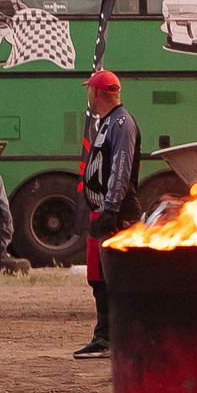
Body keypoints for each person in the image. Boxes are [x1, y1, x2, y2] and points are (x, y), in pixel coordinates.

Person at [74, 69, 140, 360]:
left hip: (116, 215)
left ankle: (122, 338)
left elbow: (121, 169)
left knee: (118, 279)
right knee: (98, 278)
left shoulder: (122, 123)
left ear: (98, 93)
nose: (87, 93)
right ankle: (103, 337)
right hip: (100, 213)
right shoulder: (106, 122)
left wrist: (111, 210)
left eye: (89, 89)